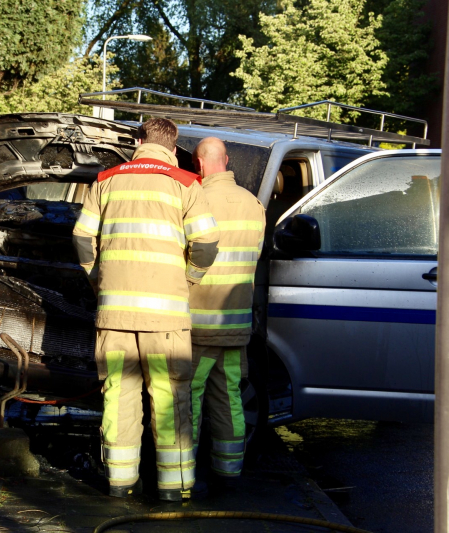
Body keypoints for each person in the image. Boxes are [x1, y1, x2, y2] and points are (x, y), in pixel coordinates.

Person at [72, 118, 220, 501]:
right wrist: (188, 280)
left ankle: (120, 483)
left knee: (119, 395)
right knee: (170, 399)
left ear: (138, 141)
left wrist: (98, 280)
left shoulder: (105, 181)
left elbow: (82, 237)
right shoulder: (186, 183)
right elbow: (206, 244)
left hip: (114, 316)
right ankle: (173, 488)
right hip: (166, 320)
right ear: (173, 147)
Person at [188, 137, 265, 489]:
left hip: (199, 325)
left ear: (198, 163)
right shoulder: (254, 204)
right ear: (227, 159)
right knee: (229, 395)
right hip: (236, 326)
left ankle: (182, 472)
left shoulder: (196, 199)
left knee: (189, 396)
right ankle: (229, 473)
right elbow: (254, 258)